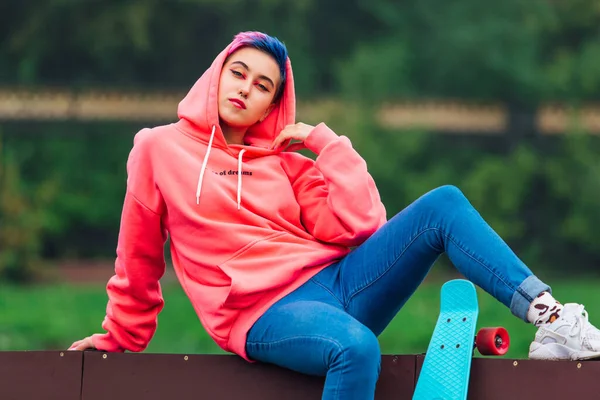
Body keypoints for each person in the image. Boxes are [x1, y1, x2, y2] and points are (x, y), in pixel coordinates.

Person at [69, 31, 600, 399]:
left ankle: (553, 320)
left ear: (271, 106)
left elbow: (362, 227)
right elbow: (137, 256)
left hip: (339, 284)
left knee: (442, 203)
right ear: (216, 75)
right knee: (355, 347)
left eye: (262, 87)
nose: (245, 89)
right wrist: (121, 337)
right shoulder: (158, 149)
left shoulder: (286, 163)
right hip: (262, 315)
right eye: (238, 73)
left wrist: (327, 145)